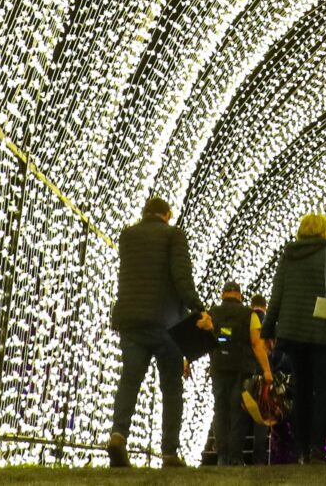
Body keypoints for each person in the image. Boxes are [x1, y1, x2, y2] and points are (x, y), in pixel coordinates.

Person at [110, 195, 211, 467]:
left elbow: (127, 276)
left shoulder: (127, 236)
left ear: (145, 212)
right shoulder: (173, 236)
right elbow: (181, 277)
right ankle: (169, 452)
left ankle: (118, 434)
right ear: (167, 214)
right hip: (166, 323)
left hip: (130, 320)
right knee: (171, 387)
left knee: (129, 380)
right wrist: (198, 308)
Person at [266, 211, 326, 462]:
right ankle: (317, 448)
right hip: (325, 333)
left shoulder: (288, 256)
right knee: (323, 392)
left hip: (294, 333)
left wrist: (268, 330)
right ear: (324, 231)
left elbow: (276, 295)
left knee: (300, 390)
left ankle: (301, 450)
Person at [206, 278, 274, 466]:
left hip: (218, 368)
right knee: (239, 412)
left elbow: (202, 338)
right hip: (242, 370)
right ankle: (235, 457)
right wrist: (267, 370)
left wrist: (187, 360)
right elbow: (256, 343)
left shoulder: (212, 313)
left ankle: (222, 457)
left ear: (223, 295)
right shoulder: (249, 314)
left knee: (220, 411)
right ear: (240, 295)